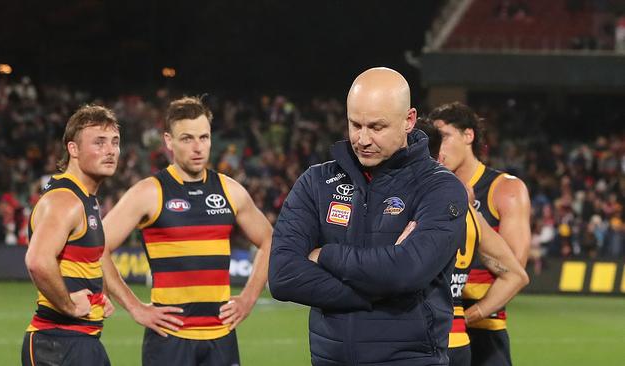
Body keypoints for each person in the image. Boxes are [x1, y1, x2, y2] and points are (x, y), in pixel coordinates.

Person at [269, 67, 468, 366]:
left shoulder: (439, 187)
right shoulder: (317, 181)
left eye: (376, 127)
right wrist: (379, 291)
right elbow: (283, 275)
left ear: (409, 121)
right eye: (355, 124)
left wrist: (326, 255)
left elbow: (407, 271)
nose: (362, 139)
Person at [101, 96, 272, 366]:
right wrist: (135, 308)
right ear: (168, 141)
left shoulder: (230, 190)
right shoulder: (149, 192)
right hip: (169, 340)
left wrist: (248, 298)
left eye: (204, 138)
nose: (197, 147)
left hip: (222, 338)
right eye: (187, 138)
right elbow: (95, 245)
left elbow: (269, 239)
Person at [416, 119, 529, 366]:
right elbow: (516, 273)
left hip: (423, 337)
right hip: (458, 337)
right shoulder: (467, 209)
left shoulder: (409, 206)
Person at [22, 105, 120, 365]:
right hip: (58, 344)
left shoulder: (85, 199)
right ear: (73, 149)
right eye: (99, 142)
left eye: (114, 142)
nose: (110, 151)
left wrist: (101, 297)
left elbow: (89, 258)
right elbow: (38, 261)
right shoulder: (66, 200)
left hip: (79, 342)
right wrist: (67, 305)